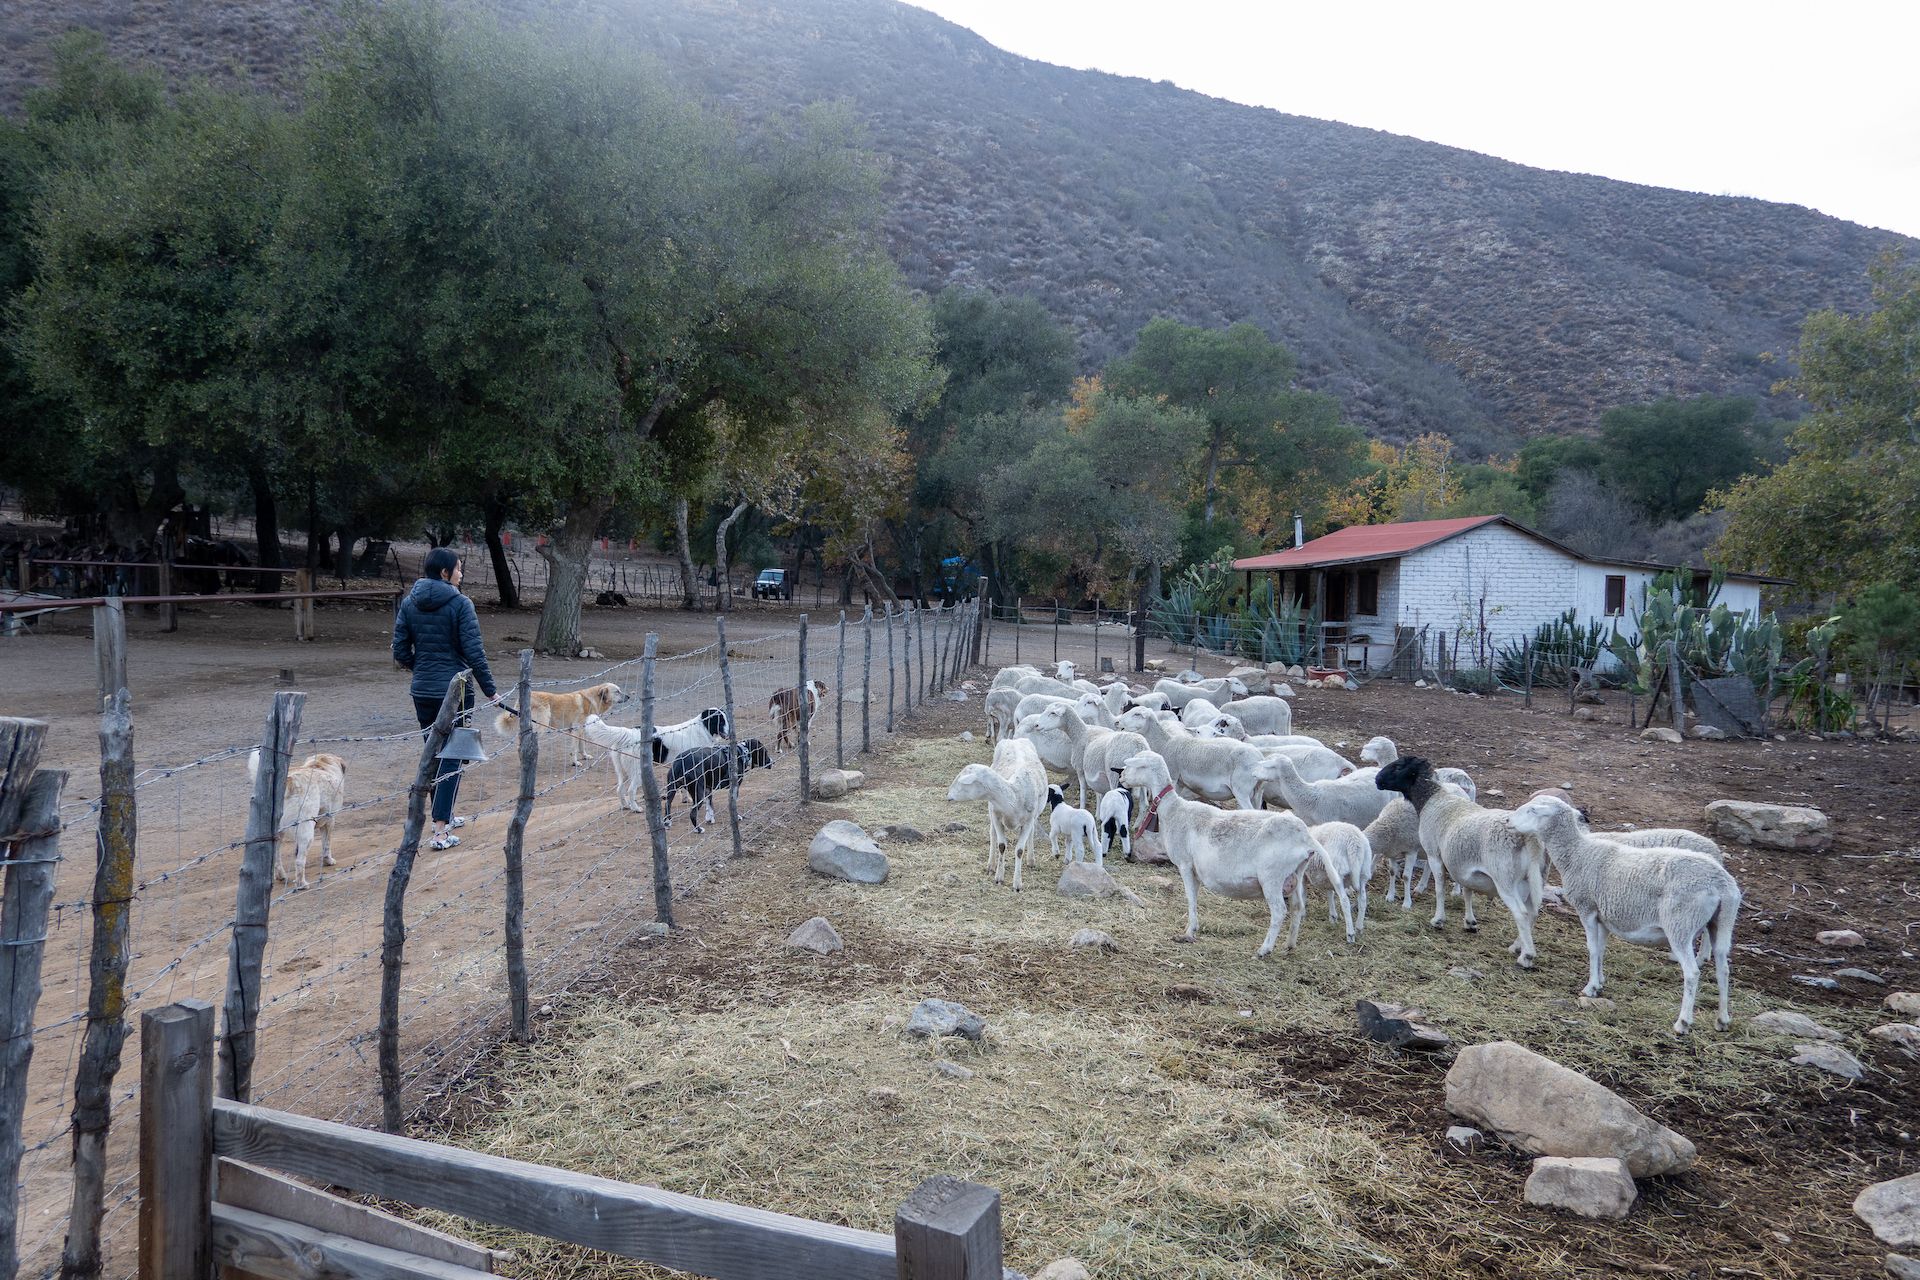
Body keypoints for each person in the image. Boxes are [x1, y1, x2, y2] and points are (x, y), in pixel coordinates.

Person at [392, 547, 498, 850]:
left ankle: (446, 812)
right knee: (452, 756)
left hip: (422, 691)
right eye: (459, 568)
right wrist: (490, 689)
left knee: (433, 752)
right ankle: (440, 831)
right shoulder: (461, 604)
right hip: (456, 691)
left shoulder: (409, 603)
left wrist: (422, 669)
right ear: (445, 573)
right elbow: (475, 652)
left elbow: (400, 651)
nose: (461, 574)